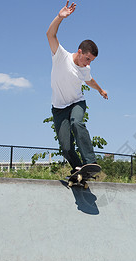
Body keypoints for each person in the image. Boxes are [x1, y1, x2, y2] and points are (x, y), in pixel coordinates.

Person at [46, 1, 108, 175]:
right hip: (58, 109)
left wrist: (100, 90)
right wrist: (60, 17)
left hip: (76, 104)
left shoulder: (85, 69)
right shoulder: (61, 57)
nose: (88, 64)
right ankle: (79, 168)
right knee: (65, 147)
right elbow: (50, 35)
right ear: (79, 51)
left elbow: (90, 81)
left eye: (91, 61)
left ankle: (90, 161)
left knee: (77, 122)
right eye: (87, 59)